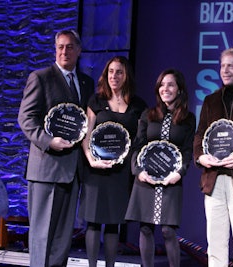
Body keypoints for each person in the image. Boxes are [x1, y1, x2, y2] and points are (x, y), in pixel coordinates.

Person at [17, 29, 94, 267]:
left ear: (79, 51)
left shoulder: (86, 82)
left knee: (62, 239)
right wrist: (49, 141)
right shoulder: (41, 77)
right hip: (46, 169)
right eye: (60, 47)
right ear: (55, 49)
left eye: (70, 47)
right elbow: (26, 118)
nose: (64, 51)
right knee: (42, 236)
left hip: (72, 172)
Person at [78, 56, 147, 267]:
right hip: (96, 170)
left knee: (113, 222)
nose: (114, 76)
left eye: (119, 72)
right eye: (110, 72)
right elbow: (86, 134)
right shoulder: (95, 101)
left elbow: (140, 140)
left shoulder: (138, 105)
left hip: (121, 172)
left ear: (127, 76)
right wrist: (91, 159)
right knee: (93, 220)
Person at [125, 69, 196, 267]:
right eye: (162, 85)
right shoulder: (148, 115)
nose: (166, 89)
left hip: (171, 180)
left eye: (171, 84)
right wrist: (139, 172)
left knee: (167, 230)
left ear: (180, 89)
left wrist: (179, 173)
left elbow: (188, 150)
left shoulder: (188, 119)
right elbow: (137, 145)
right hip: (145, 179)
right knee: (146, 228)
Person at [193, 47, 233, 267]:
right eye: (222, 66)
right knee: (216, 244)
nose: (225, 70)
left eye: (231, 65)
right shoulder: (211, 100)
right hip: (213, 178)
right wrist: (201, 157)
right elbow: (200, 135)